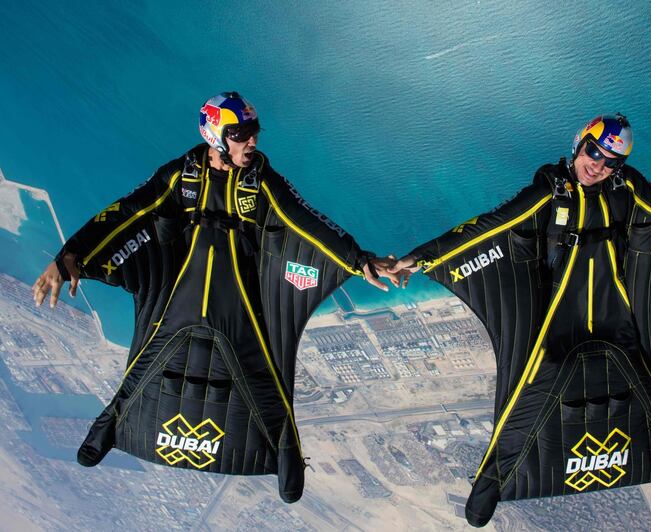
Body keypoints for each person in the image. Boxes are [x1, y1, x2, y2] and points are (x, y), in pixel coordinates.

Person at [389, 114, 651, 527]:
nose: (599, 166)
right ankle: (491, 484)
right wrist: (419, 258)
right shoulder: (550, 191)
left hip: (615, 314)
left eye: (612, 162)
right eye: (595, 152)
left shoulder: (628, 188)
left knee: (648, 393)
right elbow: (489, 225)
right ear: (579, 144)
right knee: (525, 403)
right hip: (558, 320)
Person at [32, 91, 400, 503]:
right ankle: (108, 428)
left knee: (263, 377)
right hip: (180, 290)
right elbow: (126, 211)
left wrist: (358, 260)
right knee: (146, 364)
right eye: (241, 134)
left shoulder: (260, 180)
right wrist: (69, 258)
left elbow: (306, 219)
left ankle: (286, 453)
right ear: (216, 135)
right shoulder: (180, 175)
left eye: (254, 133)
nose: (253, 142)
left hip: (241, 297)